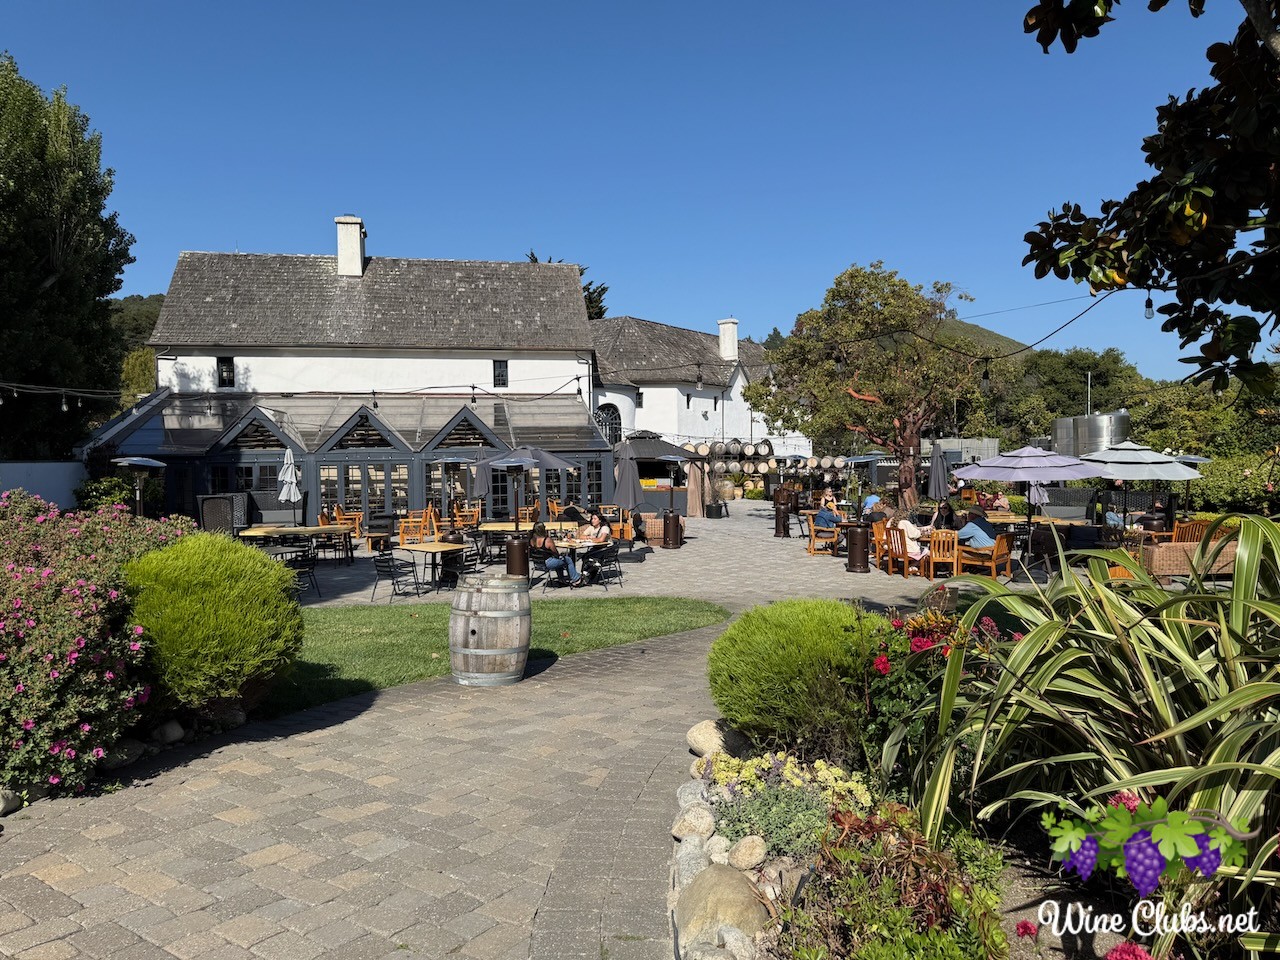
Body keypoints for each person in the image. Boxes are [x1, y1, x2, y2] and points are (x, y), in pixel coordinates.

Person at [529, 522, 579, 587]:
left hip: (538, 564)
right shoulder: (547, 540)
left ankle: (561, 580)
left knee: (559, 559)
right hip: (548, 563)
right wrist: (561, 555)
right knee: (568, 559)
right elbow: (555, 552)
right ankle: (576, 579)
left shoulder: (532, 540)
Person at [574, 511, 612, 585]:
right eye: (592, 519)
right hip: (596, 549)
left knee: (587, 557)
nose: (592, 520)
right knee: (585, 557)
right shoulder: (591, 528)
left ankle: (587, 575)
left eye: (595, 519)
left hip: (605, 550)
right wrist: (589, 537)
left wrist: (591, 539)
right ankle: (587, 574)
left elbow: (601, 540)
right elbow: (581, 536)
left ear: (599, 520)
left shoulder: (604, 528)